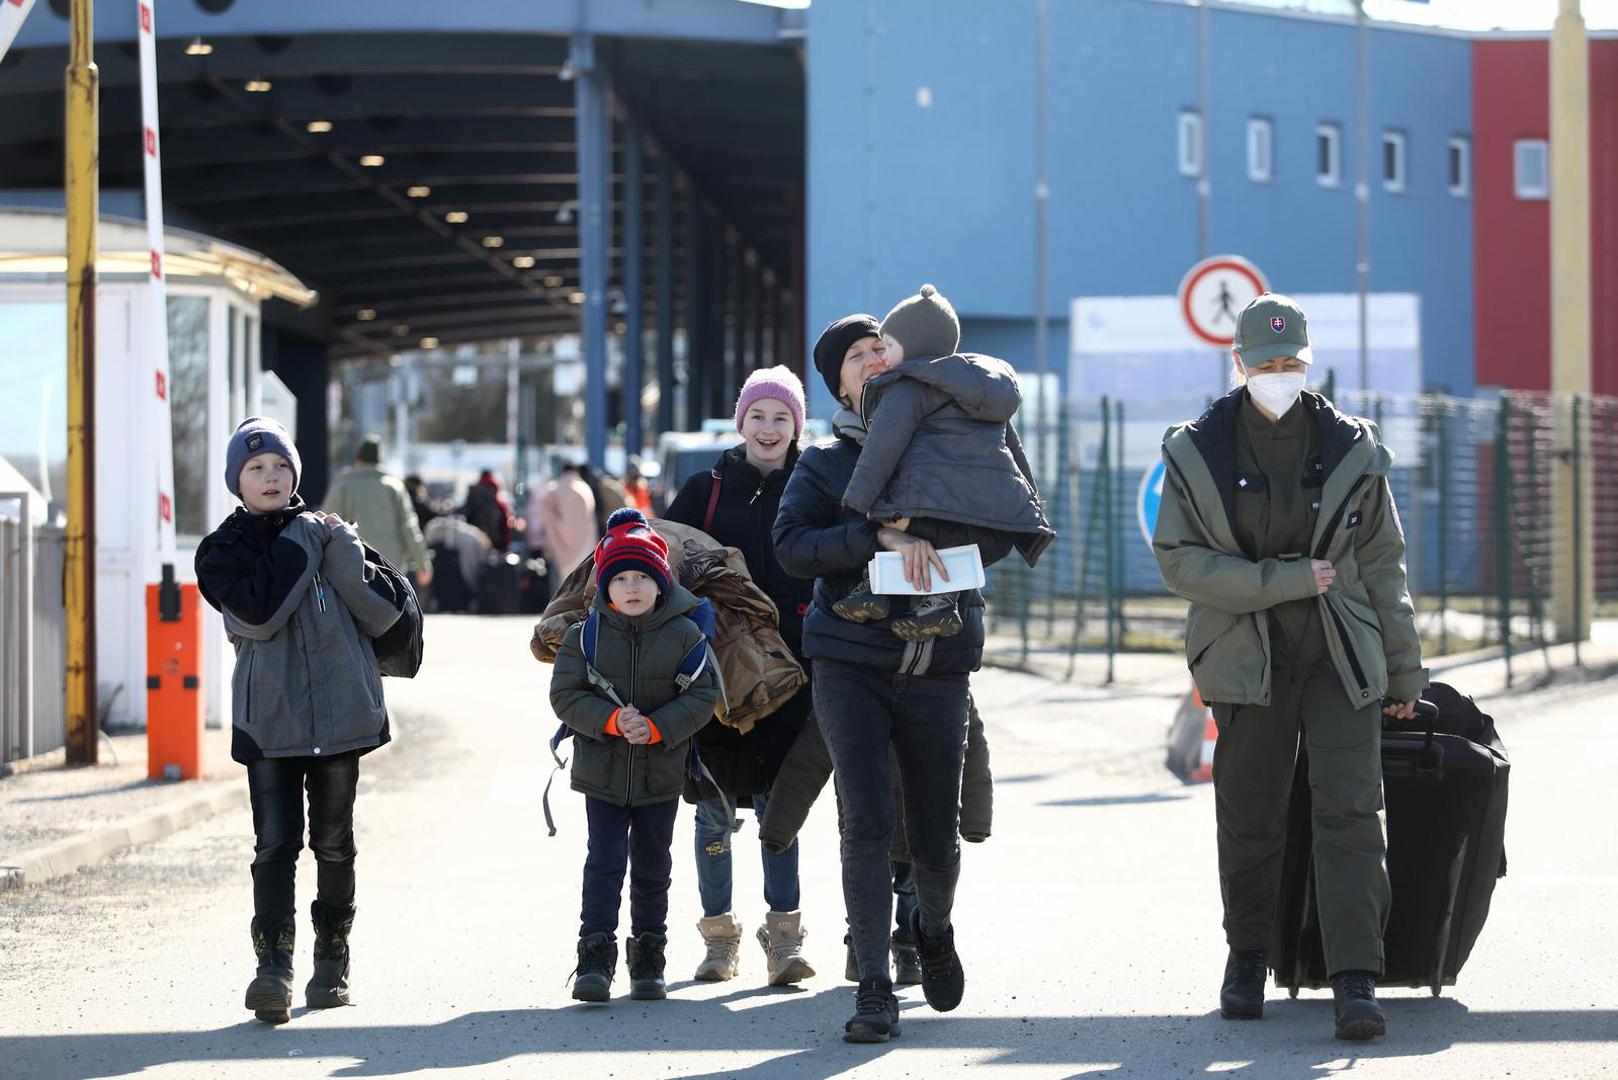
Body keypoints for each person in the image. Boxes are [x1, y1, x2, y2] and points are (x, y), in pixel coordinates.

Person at [1152, 293, 1428, 1042]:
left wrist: (1405, 671)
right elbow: (1180, 562)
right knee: (1249, 809)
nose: (1280, 375)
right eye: (1266, 364)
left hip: (1340, 653)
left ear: (1309, 363)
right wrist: (1286, 580)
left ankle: (1355, 977)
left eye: (1292, 364)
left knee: (1351, 808)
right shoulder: (1197, 448)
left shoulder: (1350, 446)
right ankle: (1247, 955)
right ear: (1238, 363)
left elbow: (1382, 565)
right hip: (1247, 657)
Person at [773, 314, 986, 1043]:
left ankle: (932, 926)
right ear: (837, 382)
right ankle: (872, 985)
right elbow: (792, 546)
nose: (870, 361)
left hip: (938, 664)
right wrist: (875, 535)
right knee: (864, 822)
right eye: (855, 357)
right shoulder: (825, 461)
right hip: (850, 662)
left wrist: (943, 530)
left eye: (879, 351)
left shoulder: (953, 441)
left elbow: (1004, 521)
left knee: (935, 829)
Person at [194, 417, 406, 1025]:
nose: (270, 476)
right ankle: (274, 969)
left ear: (295, 476)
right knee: (274, 846)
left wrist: (341, 550)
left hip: (341, 713)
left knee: (335, 844)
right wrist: (307, 540)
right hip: (271, 722)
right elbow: (258, 614)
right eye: (256, 468)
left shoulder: (326, 532)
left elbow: (380, 618)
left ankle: (332, 961)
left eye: (281, 467)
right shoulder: (222, 552)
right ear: (236, 480)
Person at [662, 366, 817, 987]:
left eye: (782, 417)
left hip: (795, 671)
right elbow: (662, 557)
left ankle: (784, 941)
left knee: (782, 810)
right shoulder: (705, 488)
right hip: (714, 673)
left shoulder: (814, 483)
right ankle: (719, 941)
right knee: (712, 810)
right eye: (759, 415)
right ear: (742, 421)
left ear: (797, 425)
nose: (770, 427)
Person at [549, 508, 720, 1004]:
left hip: (660, 772)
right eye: (620, 577)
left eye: (642, 576)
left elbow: (702, 695)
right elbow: (565, 695)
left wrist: (658, 726)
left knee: (652, 866)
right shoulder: (586, 636)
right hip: (601, 772)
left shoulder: (686, 635)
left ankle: (649, 956)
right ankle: (595, 957)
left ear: (660, 582)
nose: (631, 586)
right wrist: (608, 720)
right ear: (604, 586)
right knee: (602, 863)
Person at [837, 284, 1053, 641]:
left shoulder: (906, 388)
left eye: (888, 346)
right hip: (992, 527)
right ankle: (939, 602)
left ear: (914, 348)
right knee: (941, 551)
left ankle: (876, 590)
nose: (883, 358)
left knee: (894, 523)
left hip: (934, 513)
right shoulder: (982, 390)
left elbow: (883, 446)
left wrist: (858, 501)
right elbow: (1013, 452)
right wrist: (1032, 517)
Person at [322, 434, 432, 590]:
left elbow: (326, 522)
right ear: (380, 461)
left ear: (358, 459)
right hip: (391, 569)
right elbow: (409, 527)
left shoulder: (343, 485)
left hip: (351, 564)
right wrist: (423, 564)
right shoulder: (394, 487)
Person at [531, 463, 599, 577]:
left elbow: (545, 515)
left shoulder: (555, 489)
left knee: (566, 589)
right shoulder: (585, 488)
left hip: (562, 550)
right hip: (587, 548)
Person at [461, 469, 515, 551]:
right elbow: (506, 528)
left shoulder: (472, 498)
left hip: (472, 546)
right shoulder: (498, 503)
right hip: (494, 547)